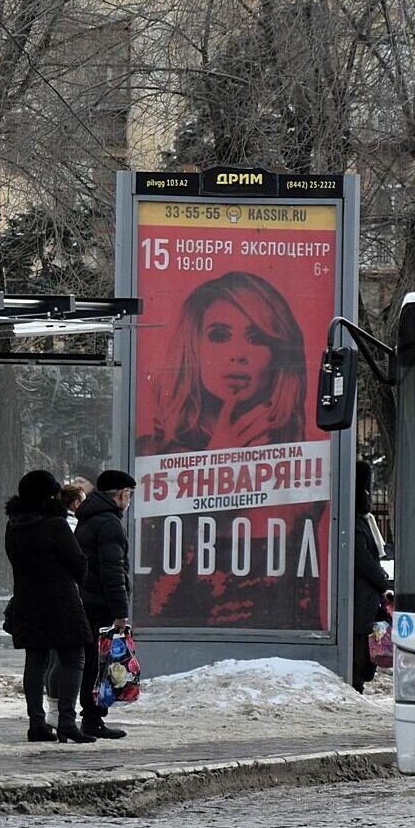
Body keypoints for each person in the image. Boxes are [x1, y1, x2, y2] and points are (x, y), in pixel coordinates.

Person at [139, 271, 308, 456]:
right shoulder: (149, 453)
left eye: (256, 338)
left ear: (278, 353)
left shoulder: (309, 450)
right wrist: (218, 456)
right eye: (219, 336)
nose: (237, 355)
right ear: (193, 347)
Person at [4, 469, 94, 743]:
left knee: (36, 661)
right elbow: (78, 565)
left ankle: (36, 724)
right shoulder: (55, 525)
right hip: (60, 602)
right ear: (48, 495)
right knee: (74, 657)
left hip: (27, 601)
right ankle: (67, 721)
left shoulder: (14, 525)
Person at [74, 469, 135, 739]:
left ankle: (91, 716)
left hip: (87, 599)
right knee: (99, 663)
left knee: (91, 661)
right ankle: (93, 718)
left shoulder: (88, 518)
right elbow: (113, 571)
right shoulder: (109, 523)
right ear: (121, 494)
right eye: (129, 495)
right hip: (101, 603)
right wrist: (121, 612)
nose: (129, 500)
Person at [353, 460, 394, 693]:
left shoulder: (363, 521)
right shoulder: (356, 523)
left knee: (366, 650)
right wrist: (382, 579)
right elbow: (363, 559)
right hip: (361, 599)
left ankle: (359, 683)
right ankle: (355, 685)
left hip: (367, 599)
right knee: (361, 652)